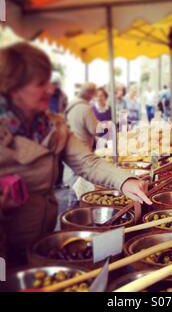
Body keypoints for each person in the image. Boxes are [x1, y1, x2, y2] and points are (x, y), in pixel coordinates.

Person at [0, 42, 151, 267]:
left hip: (42, 235)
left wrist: (125, 180)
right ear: (13, 88)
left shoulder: (53, 125)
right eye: (41, 84)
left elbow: (87, 162)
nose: (51, 90)